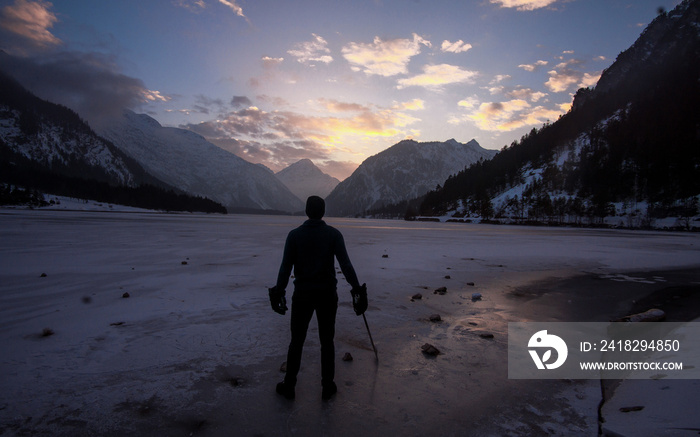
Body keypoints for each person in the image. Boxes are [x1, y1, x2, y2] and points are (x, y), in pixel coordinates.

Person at [269, 195, 367, 401]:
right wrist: (356, 287)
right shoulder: (333, 235)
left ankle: (289, 385)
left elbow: (285, 268)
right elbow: (346, 265)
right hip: (327, 295)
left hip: (302, 295)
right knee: (327, 341)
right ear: (322, 212)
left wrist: (279, 290)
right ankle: (327, 385)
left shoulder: (294, 236)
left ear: (306, 211)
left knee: (296, 341)